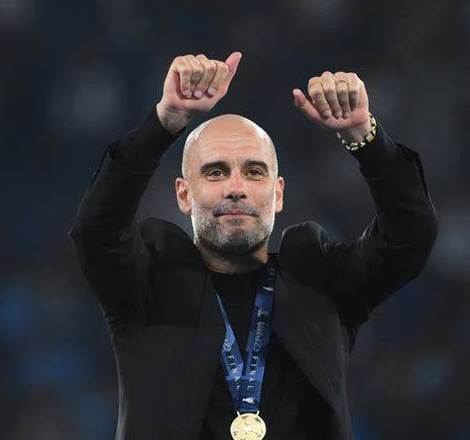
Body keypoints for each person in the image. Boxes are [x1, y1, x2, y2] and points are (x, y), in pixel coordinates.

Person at [68, 51, 438, 440]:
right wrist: (165, 121)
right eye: (215, 172)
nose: (236, 188)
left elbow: (410, 235)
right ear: (183, 194)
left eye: (254, 172)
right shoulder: (147, 284)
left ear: (278, 194)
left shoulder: (322, 281)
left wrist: (364, 137)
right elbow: (96, 230)